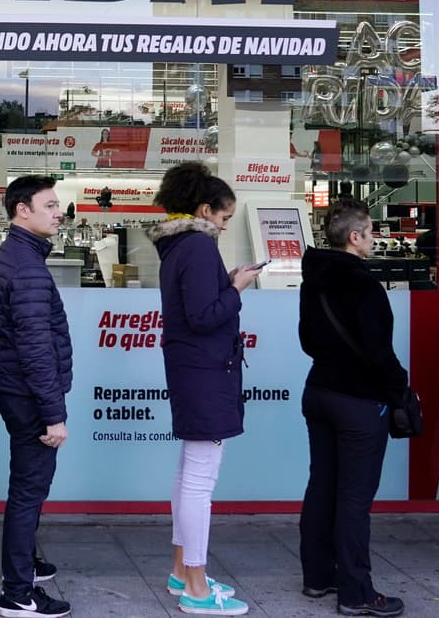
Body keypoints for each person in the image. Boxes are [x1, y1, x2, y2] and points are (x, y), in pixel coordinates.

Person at [149, 162, 259, 617]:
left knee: (188, 474)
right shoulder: (197, 246)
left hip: (193, 369)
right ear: (203, 208)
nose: (224, 226)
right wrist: (235, 287)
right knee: (199, 481)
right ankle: (195, 585)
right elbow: (204, 315)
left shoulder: (177, 245)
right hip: (205, 371)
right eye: (224, 218)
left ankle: (182, 570)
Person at [296, 200, 408, 617]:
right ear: (355, 237)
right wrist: (401, 389)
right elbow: (380, 354)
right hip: (360, 401)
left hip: (320, 390)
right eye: (371, 230)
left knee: (322, 485)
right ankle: (357, 592)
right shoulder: (364, 285)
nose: (374, 237)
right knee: (355, 499)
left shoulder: (315, 279)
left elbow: (307, 340)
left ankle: (317, 576)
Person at [0, 174, 72, 618]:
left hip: (14, 388)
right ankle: (17, 592)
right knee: (28, 492)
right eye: (51, 205)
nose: (59, 212)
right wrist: (54, 415)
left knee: (27, 489)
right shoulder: (27, 268)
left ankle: (27, 567)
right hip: (29, 395)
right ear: (23, 210)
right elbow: (37, 349)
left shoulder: (16, 258)